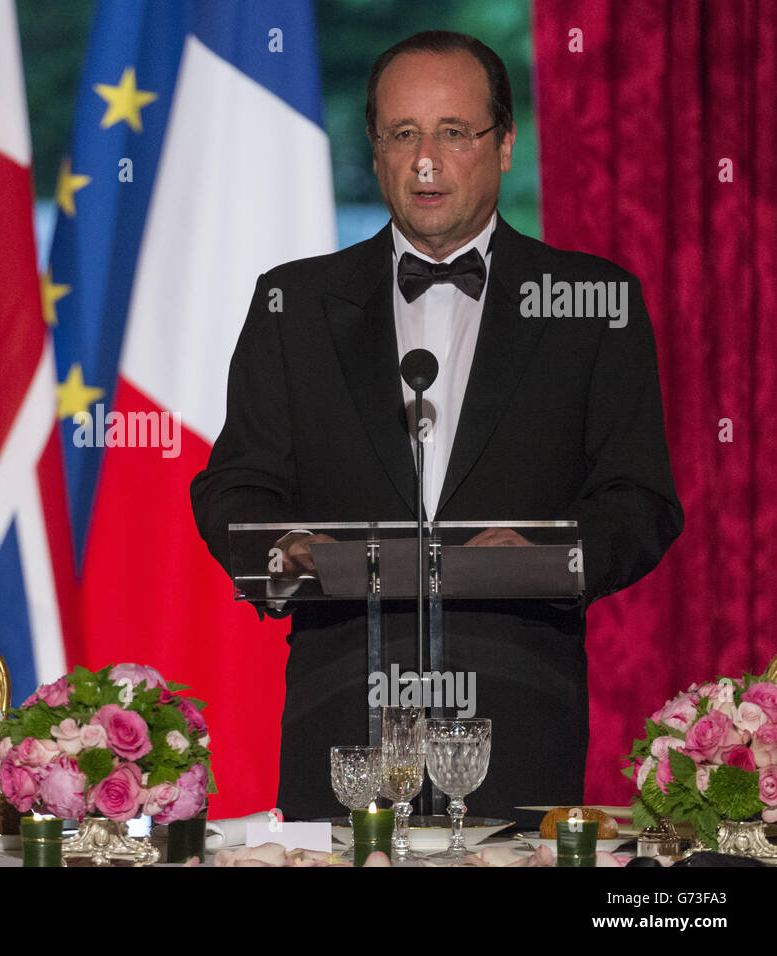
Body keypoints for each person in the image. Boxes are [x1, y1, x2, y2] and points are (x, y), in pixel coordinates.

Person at [191, 32, 682, 822]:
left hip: (519, 713)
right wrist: (285, 547)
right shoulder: (293, 303)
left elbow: (642, 501)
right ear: (376, 151)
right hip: (341, 714)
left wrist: (549, 555)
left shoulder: (594, 302)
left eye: (454, 132)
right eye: (403, 134)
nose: (427, 160)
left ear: (506, 145)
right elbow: (236, 482)